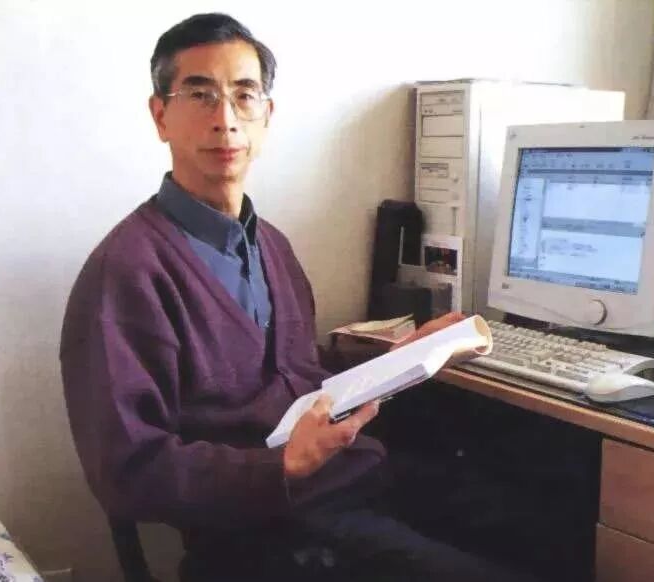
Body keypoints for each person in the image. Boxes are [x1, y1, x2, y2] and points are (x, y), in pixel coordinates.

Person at [60, 13, 535, 582]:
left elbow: (294, 373)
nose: (225, 120)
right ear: (160, 115)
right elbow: (127, 471)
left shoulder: (271, 245)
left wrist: (405, 355)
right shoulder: (126, 272)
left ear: (266, 116)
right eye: (200, 95)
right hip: (265, 534)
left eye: (244, 96)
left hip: (346, 483)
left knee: (537, 519)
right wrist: (281, 466)